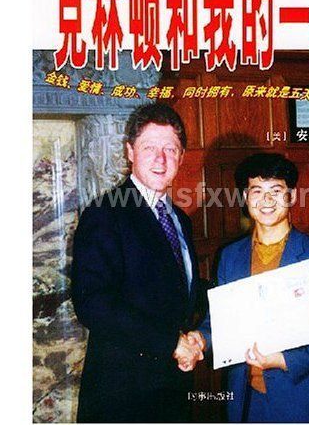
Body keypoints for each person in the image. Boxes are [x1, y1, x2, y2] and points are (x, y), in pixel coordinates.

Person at [181, 153, 309, 422]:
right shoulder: (230, 256)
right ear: (245, 197)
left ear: (291, 196)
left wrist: (284, 360)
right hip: (246, 399)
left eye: (276, 190)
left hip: (301, 399)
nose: (267, 200)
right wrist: (200, 338)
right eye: (257, 191)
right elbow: (219, 323)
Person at [71, 103, 203, 423]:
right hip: (123, 396)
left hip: (173, 389)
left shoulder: (180, 219)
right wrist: (171, 342)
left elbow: (179, 293)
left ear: (181, 156)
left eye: (170, 149)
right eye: (149, 148)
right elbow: (93, 303)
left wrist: (202, 335)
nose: (161, 159)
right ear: (130, 152)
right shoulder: (105, 214)